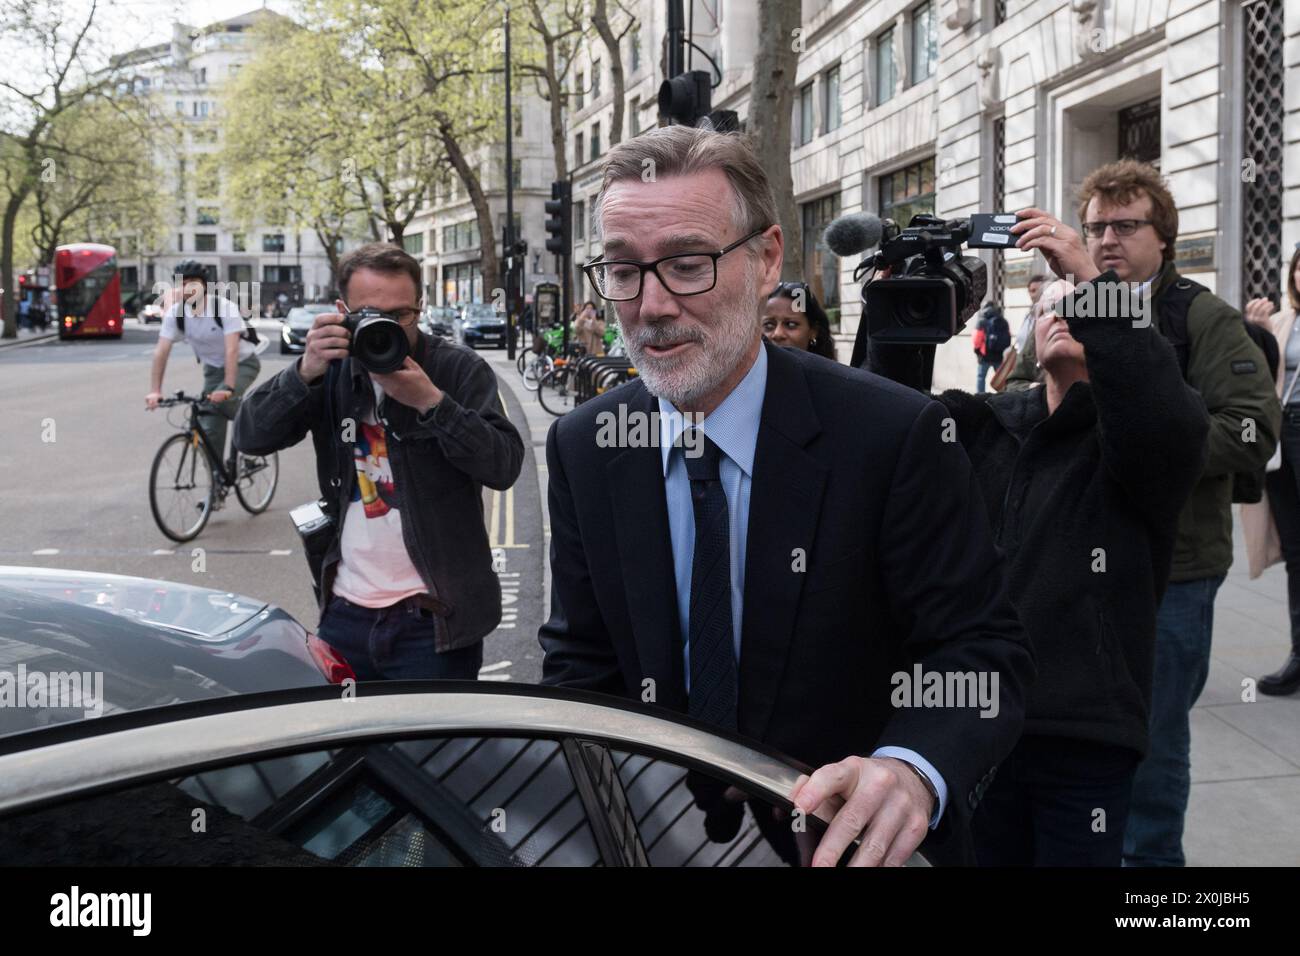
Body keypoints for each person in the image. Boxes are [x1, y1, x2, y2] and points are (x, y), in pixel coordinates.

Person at [539, 124, 1033, 867]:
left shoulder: (894, 435)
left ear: (767, 258)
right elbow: (582, 661)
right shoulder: (586, 446)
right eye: (622, 269)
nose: (651, 304)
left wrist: (908, 769)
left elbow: (980, 652)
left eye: (686, 263)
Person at [1009, 158, 1280, 867]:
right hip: (1068, 566)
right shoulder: (1065, 304)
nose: (1105, 240)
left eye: (1126, 225)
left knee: (1152, 749)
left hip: (1175, 565)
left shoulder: (1200, 316)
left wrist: (1152, 441)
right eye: (1095, 225)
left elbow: (1255, 426)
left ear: (1164, 236)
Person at [914, 274, 1208, 865]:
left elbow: (1163, 417)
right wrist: (909, 316)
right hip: (976, 726)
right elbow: (881, 421)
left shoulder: (1139, 441)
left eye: (1080, 304)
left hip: (1084, 736)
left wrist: (1096, 289)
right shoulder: (986, 422)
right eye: (1050, 307)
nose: (1064, 313)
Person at [234, 242, 524, 681]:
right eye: (369, 312)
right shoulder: (330, 370)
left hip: (434, 623)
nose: (387, 325)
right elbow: (251, 437)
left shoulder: (457, 370)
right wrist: (303, 372)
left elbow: (503, 466)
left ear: (420, 310)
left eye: (401, 314)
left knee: (436, 751)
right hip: (344, 616)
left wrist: (432, 403)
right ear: (341, 310)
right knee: (351, 748)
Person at [1241, 242, 1300, 696]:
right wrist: (1256, 331)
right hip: (1284, 439)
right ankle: (1299, 655)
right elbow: (1255, 375)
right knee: (1296, 552)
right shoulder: (1282, 321)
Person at [145, 260, 261, 472]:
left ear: (205, 285)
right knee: (209, 424)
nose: (188, 288)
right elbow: (161, 351)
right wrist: (155, 390)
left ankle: (254, 433)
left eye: (193, 283)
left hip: (243, 363)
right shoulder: (176, 314)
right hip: (211, 369)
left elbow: (231, 351)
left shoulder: (224, 308)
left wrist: (227, 387)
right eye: (183, 283)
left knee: (224, 402)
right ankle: (217, 480)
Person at [761, 280, 837, 361]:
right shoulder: (750, 373)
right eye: (769, 325)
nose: (778, 334)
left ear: (813, 331)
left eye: (791, 325)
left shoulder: (830, 373)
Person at [1000, 274, 1048, 392]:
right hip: (1022, 361)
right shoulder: (1030, 313)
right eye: (1030, 291)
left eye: (1035, 290)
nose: (1032, 295)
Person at [975, 302, 1010, 393]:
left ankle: (980, 396)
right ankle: (1003, 395)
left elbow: (977, 339)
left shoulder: (982, 320)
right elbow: (1008, 337)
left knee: (981, 377)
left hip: (985, 355)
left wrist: (977, 352)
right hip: (999, 355)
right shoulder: (1003, 320)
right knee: (1001, 378)